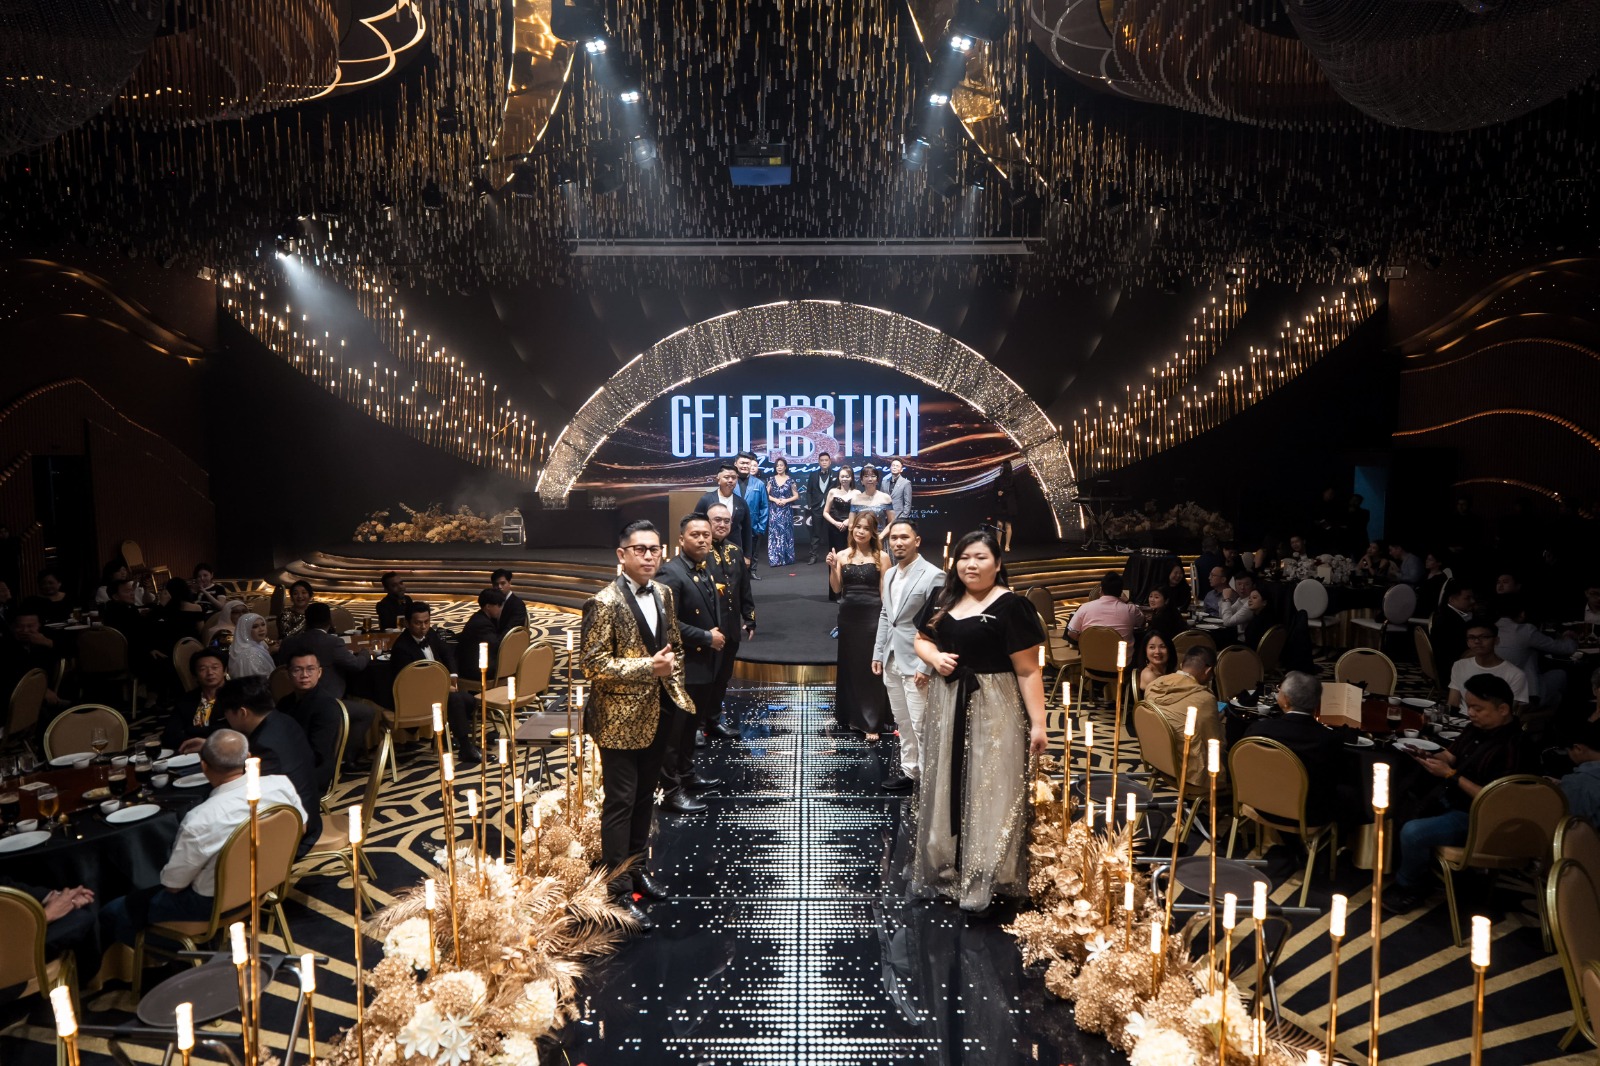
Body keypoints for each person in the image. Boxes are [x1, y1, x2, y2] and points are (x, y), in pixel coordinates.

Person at [911, 530, 1047, 913]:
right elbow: (920, 638)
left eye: (981, 557)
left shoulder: (1012, 606)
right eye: (965, 557)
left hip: (995, 703)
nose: (971, 564)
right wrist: (934, 658)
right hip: (948, 701)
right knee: (947, 779)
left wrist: (1039, 723)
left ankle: (988, 872)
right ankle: (947, 865)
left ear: (998, 564)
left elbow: (1028, 671)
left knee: (991, 785)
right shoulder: (943, 597)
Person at [581, 520, 693, 931]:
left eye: (654, 549)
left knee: (646, 797)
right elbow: (592, 665)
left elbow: (674, 645)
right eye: (640, 549)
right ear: (622, 555)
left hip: (659, 711)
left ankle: (637, 869)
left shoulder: (663, 593)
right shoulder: (603, 602)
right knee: (621, 803)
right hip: (618, 720)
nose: (648, 556)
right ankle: (617, 891)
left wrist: (672, 682)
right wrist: (650, 667)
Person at [102, 729, 306, 944]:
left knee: (113, 911)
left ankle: (155, 959)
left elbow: (173, 885)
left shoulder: (200, 819)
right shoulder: (280, 784)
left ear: (204, 766)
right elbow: (300, 829)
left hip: (213, 905)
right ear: (248, 758)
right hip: (266, 885)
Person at [1383, 673, 1525, 913]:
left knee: (1413, 832)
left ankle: (1410, 887)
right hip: (1451, 798)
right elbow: (1451, 755)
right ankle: (1415, 868)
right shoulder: (1476, 728)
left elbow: (1495, 800)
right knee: (1399, 800)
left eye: (1478, 708)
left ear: (1503, 709)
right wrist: (1428, 756)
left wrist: (1450, 775)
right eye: (1470, 707)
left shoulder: (1514, 746)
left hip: (1478, 817)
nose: (1471, 713)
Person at [654, 514, 725, 813]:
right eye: (695, 535)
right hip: (684, 666)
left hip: (703, 664)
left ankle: (686, 774)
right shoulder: (671, 573)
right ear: (681, 539)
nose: (702, 539)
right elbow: (666, 622)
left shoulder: (704, 567)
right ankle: (670, 790)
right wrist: (706, 637)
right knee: (675, 732)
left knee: (690, 728)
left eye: (706, 534)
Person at [872, 519, 943, 791]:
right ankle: (910, 771)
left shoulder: (934, 575)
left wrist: (926, 666)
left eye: (904, 537)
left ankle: (929, 779)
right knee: (902, 721)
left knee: (921, 724)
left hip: (918, 662)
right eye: (894, 538)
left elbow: (937, 626)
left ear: (917, 541)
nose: (898, 543)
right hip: (892, 658)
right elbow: (886, 615)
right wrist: (878, 652)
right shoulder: (890, 573)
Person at [1240, 671, 1344, 827]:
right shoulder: (1329, 740)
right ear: (1318, 703)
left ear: (1285, 700)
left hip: (1261, 805)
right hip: (1308, 815)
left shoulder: (1259, 730)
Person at [388, 601, 482, 765]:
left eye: (426, 622)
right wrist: (443, 689)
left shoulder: (430, 633)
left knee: (470, 700)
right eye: (418, 623)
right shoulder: (401, 648)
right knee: (457, 700)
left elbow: (447, 653)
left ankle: (449, 737)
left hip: (436, 689)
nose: (423, 627)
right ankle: (465, 746)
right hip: (416, 697)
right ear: (407, 623)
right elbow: (412, 683)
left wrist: (452, 674)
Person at [830, 512, 892, 740]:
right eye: (858, 527)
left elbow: (884, 592)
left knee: (870, 666)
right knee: (850, 664)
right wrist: (832, 567)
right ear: (852, 529)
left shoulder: (882, 557)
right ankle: (850, 715)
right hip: (848, 616)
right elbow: (837, 589)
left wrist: (887, 619)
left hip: (872, 615)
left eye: (866, 528)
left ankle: (872, 720)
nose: (861, 532)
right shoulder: (842, 555)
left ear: (873, 532)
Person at [1144, 645, 1226, 792]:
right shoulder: (1204, 699)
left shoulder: (1155, 685)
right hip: (1188, 771)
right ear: (1208, 671)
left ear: (1182, 665)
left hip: (1157, 757)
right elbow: (1214, 743)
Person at [704, 503, 754, 738]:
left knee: (723, 677)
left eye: (727, 521)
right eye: (717, 520)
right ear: (707, 522)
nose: (722, 524)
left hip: (732, 627)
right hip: (707, 629)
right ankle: (697, 725)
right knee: (705, 678)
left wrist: (750, 617)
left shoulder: (735, 551)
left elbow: (744, 587)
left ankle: (714, 720)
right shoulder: (700, 552)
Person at [277, 651, 355, 789]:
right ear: (288, 674)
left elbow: (318, 754)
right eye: (297, 670)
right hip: (290, 764)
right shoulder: (284, 703)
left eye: (310, 669)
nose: (304, 675)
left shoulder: (326, 705)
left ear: (319, 672)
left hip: (313, 771)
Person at [1493, 594, 1578, 711]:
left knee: (1555, 696)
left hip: (1496, 689)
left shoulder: (1492, 629)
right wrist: (1568, 637)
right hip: (1520, 692)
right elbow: (1565, 648)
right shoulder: (1524, 631)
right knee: (1561, 675)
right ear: (1522, 614)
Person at [279, 602, 369, 698]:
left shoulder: (288, 642)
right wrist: (365, 652)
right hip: (328, 699)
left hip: (293, 697)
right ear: (329, 622)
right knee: (366, 707)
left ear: (306, 622)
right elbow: (357, 665)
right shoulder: (333, 643)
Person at [1446, 621, 1529, 709]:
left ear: (1496, 640)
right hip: (1460, 716)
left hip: (1492, 717)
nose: (1477, 641)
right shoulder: (1459, 665)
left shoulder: (1515, 674)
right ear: (1467, 642)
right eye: (1472, 637)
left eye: (1484, 637)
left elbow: (1505, 711)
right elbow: (1453, 702)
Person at [161, 648, 228, 750]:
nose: (210, 672)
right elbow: (169, 734)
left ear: (225, 671)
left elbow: (237, 731)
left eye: (215, 667)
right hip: (190, 752)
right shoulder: (187, 699)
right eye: (202, 669)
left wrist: (196, 734)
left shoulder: (238, 694)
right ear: (195, 676)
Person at [696, 463, 754, 565]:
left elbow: (747, 530)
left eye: (733, 478)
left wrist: (747, 556)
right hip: (709, 549)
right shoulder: (706, 499)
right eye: (726, 477)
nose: (730, 480)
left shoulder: (741, 502)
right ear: (718, 480)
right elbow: (696, 524)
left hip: (734, 549)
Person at [1065, 572, 1144, 642]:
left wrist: (1086, 642)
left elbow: (1071, 633)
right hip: (1121, 654)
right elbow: (1142, 622)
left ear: (1101, 590)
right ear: (1121, 593)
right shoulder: (1131, 610)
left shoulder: (1084, 607)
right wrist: (1128, 601)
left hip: (1090, 654)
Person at [822, 465, 857, 601]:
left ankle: (848, 592)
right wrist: (836, 523)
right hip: (834, 530)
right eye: (842, 476)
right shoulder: (832, 492)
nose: (844, 479)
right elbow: (825, 512)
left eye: (847, 476)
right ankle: (835, 593)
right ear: (839, 477)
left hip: (850, 529)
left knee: (850, 559)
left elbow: (859, 512)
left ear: (851, 478)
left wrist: (848, 521)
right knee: (835, 559)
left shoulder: (857, 493)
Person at [1555, 721, 1600, 825]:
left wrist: (1568, 786)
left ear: (1578, 749)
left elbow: (1569, 825)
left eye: (1568, 751)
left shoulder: (1576, 784)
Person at [735, 451, 769, 580]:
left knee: (754, 550)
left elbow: (764, 506)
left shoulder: (759, 484)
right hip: (734, 525)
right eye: (742, 463)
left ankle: (752, 571)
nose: (745, 466)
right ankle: (737, 573)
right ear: (736, 464)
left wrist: (761, 527)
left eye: (747, 463)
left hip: (754, 525)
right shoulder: (731, 482)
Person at [1430, 580, 1477, 670]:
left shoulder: (1446, 615)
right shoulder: (1449, 622)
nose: (1473, 601)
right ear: (1452, 599)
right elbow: (1459, 652)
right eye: (1467, 598)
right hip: (1451, 669)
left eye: (1472, 597)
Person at [459, 588, 505, 678]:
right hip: (475, 668)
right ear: (488, 606)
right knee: (512, 663)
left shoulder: (480, 617)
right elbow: (496, 645)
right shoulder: (482, 624)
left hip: (475, 661)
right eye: (499, 605)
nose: (501, 609)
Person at [765, 457, 799, 568]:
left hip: (786, 510)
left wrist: (785, 500)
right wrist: (775, 500)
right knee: (774, 533)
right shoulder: (771, 480)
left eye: (781, 465)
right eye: (777, 465)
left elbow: (796, 496)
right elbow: (766, 494)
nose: (779, 467)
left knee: (786, 533)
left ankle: (787, 558)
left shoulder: (790, 480)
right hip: (774, 510)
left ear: (785, 467)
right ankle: (775, 559)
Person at [805, 452, 838, 565]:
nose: (824, 462)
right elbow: (808, 491)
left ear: (830, 461)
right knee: (816, 534)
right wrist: (810, 505)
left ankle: (835, 555)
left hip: (831, 509)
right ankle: (813, 556)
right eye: (822, 460)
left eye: (826, 460)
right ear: (819, 462)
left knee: (833, 533)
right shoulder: (813, 475)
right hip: (817, 508)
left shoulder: (835, 474)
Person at [228, 612, 276, 680]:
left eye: (263, 624)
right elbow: (258, 682)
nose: (261, 629)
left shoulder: (260, 645)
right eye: (255, 627)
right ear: (245, 631)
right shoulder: (250, 654)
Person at [851, 464, 894, 534]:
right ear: (861, 480)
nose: (870, 479)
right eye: (866, 476)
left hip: (881, 537)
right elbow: (851, 524)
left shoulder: (886, 498)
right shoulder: (855, 499)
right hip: (861, 537)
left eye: (873, 476)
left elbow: (892, 522)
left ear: (877, 480)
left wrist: (881, 536)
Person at [1135, 631, 1175, 696]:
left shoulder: (1169, 670)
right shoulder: (1148, 675)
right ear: (1145, 651)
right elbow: (1166, 698)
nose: (1157, 651)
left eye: (1162, 647)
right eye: (1152, 647)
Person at [490, 569, 529, 634]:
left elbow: (511, 630)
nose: (499, 587)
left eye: (503, 583)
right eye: (496, 584)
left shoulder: (517, 604)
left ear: (509, 583)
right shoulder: (491, 601)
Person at [993, 459, 1018, 552]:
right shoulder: (998, 479)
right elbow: (994, 490)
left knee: (1008, 524)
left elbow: (1017, 491)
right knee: (999, 524)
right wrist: (997, 493)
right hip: (1001, 503)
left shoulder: (1013, 479)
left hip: (1009, 504)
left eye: (1002, 466)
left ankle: (1007, 545)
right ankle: (998, 543)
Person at [884, 458, 913, 525]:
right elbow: (881, 499)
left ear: (901, 469)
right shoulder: (884, 482)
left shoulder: (906, 483)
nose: (894, 467)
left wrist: (903, 518)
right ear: (890, 468)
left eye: (897, 466)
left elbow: (908, 503)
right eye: (893, 465)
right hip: (885, 517)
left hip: (899, 517)